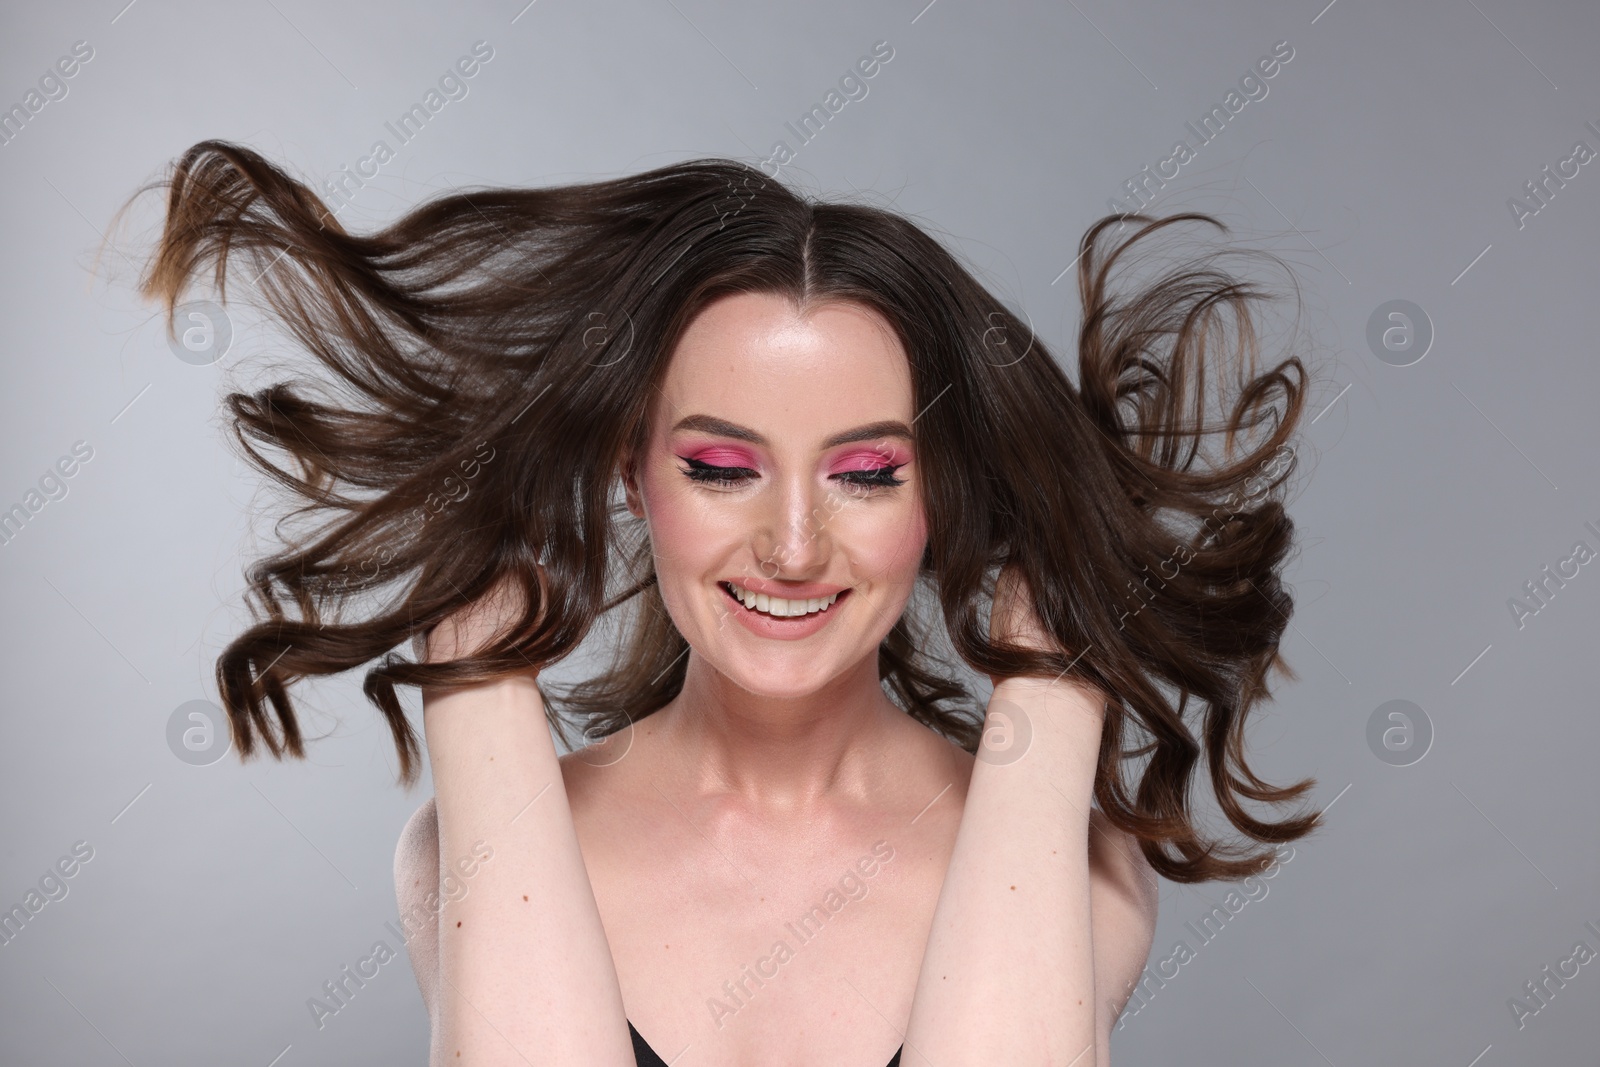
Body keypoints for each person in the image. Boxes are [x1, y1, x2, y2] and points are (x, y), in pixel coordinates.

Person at [127, 141, 1323, 1066]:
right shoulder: (464, 846)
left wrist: (1054, 684)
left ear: (944, 495)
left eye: (864, 474)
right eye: (719, 467)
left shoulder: (1076, 855)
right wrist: (475, 680)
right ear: (630, 472)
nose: (793, 545)